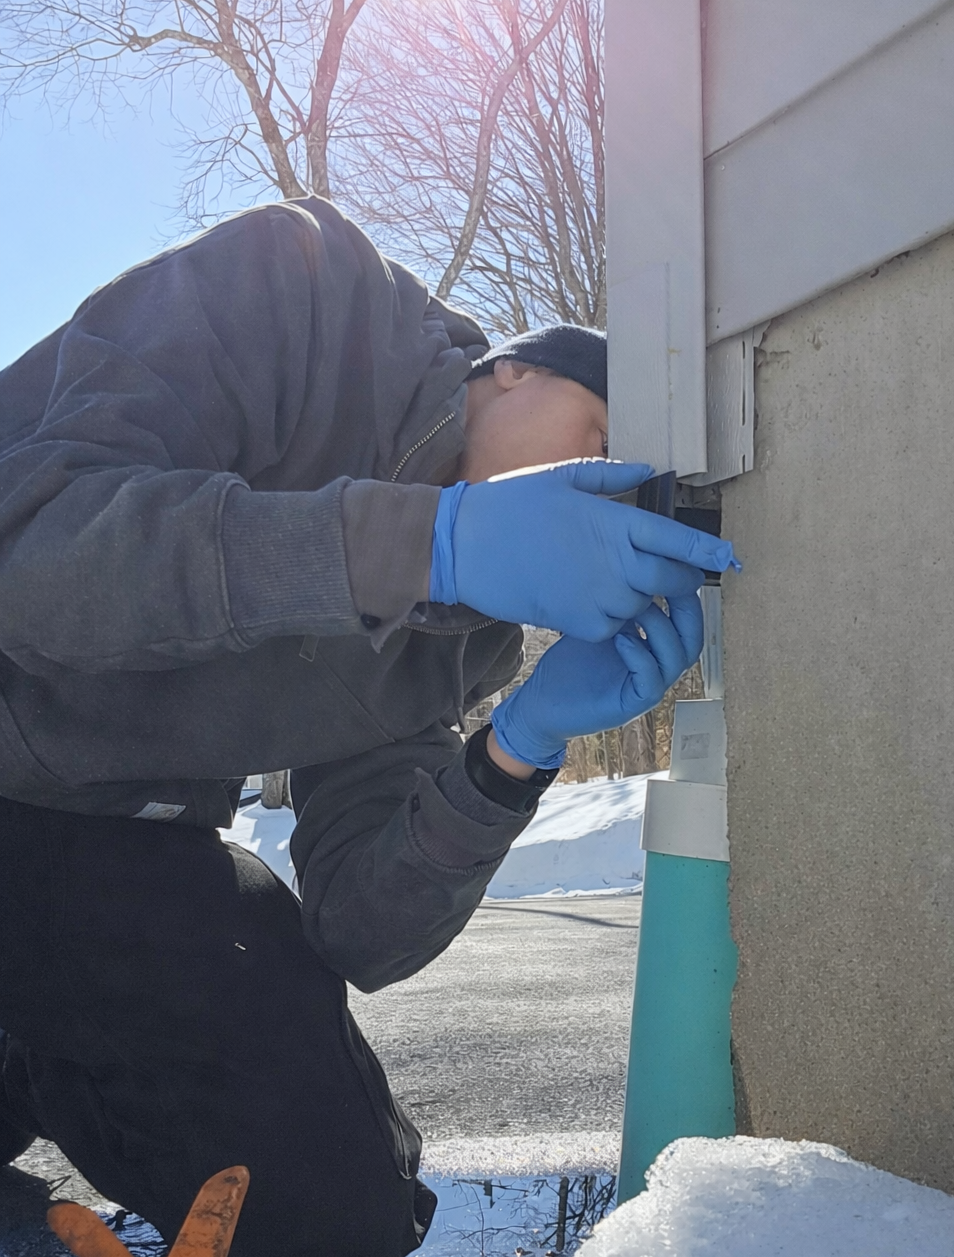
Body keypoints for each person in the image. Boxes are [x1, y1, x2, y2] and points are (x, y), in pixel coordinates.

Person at [0, 198, 737, 1255]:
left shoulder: (462, 642)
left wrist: (510, 754)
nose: (596, 498)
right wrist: (424, 542)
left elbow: (356, 925)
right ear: (514, 369)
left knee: (332, 1202)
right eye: (602, 442)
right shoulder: (297, 285)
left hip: (102, 836)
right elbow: (31, 560)